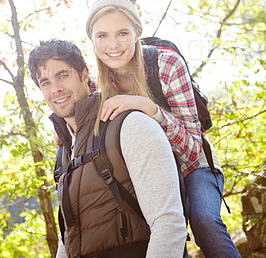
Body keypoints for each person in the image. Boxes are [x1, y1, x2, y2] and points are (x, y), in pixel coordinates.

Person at [84, 0, 241, 258]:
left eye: (122, 33)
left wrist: (150, 109)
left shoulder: (166, 64)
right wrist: (61, 129)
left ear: (137, 32)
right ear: (92, 40)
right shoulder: (97, 85)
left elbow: (192, 149)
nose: (112, 44)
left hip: (193, 168)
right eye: (102, 36)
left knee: (204, 221)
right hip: (147, 176)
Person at [28, 39, 187, 258]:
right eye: (45, 82)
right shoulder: (64, 153)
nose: (55, 89)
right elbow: (68, 237)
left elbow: (169, 223)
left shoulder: (130, 125)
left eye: (62, 75)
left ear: (84, 75)